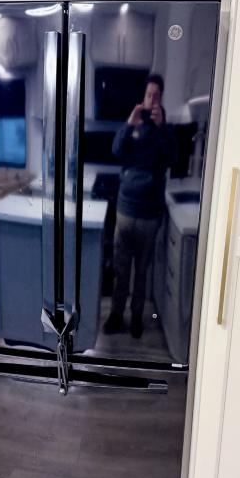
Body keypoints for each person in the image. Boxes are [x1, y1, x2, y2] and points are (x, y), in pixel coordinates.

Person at [104, 74, 177, 338]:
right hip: (125, 210)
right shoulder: (133, 124)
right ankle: (116, 316)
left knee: (142, 271)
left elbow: (172, 158)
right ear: (143, 97)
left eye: (156, 96)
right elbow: (116, 151)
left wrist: (162, 128)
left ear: (161, 98)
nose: (152, 99)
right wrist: (128, 124)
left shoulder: (165, 130)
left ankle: (136, 317)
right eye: (149, 95)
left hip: (149, 215)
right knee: (121, 270)